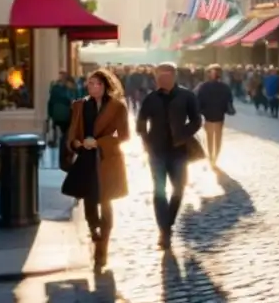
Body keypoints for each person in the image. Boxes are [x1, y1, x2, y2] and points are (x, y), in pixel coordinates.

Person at [61, 69, 130, 271]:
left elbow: (124, 136)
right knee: (89, 201)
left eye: (97, 84)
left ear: (105, 85)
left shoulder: (117, 107)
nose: (93, 87)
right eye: (90, 84)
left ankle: (102, 250)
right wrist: (76, 143)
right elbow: (73, 132)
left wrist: (99, 142)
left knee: (106, 201)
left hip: (107, 159)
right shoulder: (80, 105)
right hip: (86, 158)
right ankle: (94, 231)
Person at [136, 62, 202, 251]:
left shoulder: (186, 96)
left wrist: (184, 134)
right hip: (156, 151)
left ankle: (168, 223)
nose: (159, 79)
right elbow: (141, 123)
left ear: (172, 77)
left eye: (163, 76)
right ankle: (164, 231)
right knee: (159, 191)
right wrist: (147, 142)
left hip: (178, 151)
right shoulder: (150, 98)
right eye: (157, 76)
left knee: (179, 189)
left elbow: (197, 120)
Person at [196, 64, 234, 167]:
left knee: (210, 137)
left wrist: (200, 111)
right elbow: (229, 101)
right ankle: (214, 158)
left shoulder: (203, 86)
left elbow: (198, 101)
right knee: (217, 137)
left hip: (209, 116)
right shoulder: (225, 87)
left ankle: (212, 157)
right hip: (218, 116)